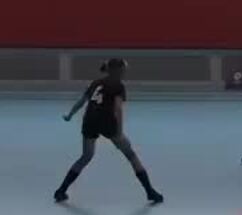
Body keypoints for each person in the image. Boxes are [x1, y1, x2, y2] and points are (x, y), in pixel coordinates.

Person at [54, 59, 164, 204]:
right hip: (107, 123)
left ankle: (61, 190)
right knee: (131, 155)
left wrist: (70, 114)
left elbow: (82, 101)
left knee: (86, 157)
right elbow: (117, 109)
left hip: (89, 121)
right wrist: (119, 131)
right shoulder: (118, 86)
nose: (125, 72)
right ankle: (149, 191)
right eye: (123, 69)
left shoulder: (96, 83)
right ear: (117, 70)